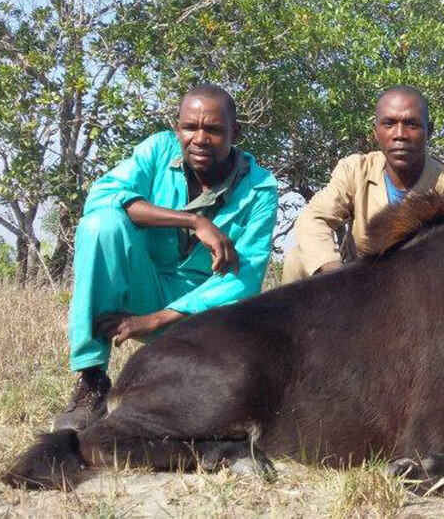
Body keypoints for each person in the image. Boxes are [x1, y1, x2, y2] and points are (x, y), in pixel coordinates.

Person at [54, 84, 279, 431]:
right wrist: (193, 220)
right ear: (177, 129)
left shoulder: (261, 188)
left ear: (236, 132)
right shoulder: (157, 150)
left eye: (214, 130)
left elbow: (244, 280)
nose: (200, 138)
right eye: (190, 127)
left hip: (202, 316)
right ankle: (91, 381)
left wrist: (156, 319)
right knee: (101, 224)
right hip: (144, 288)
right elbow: (103, 195)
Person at [282, 86, 444, 282]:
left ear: (429, 131)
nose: (400, 134)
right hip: (361, 284)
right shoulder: (355, 170)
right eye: (389, 123)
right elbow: (313, 218)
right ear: (376, 131)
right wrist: (335, 275)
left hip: (418, 288)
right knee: (296, 261)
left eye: (412, 124)